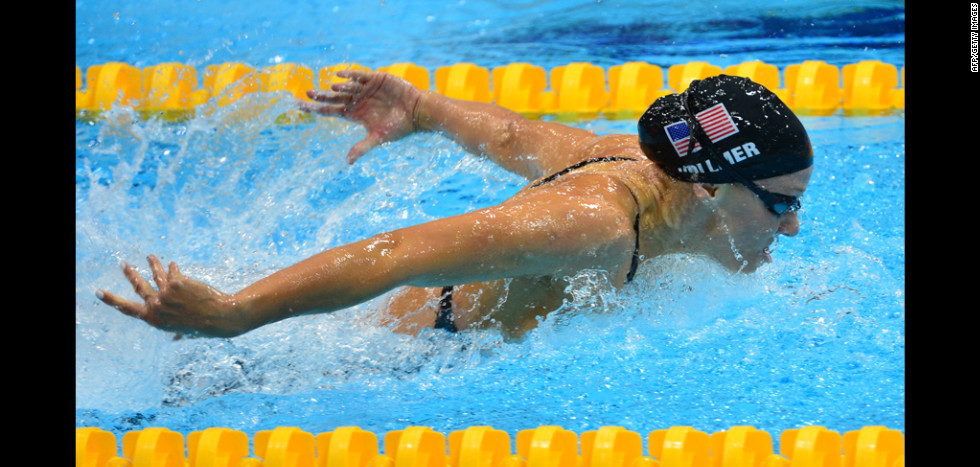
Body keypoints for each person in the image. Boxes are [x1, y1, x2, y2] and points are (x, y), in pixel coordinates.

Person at [96, 70, 813, 338]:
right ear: (712, 188)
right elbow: (397, 254)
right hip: (378, 358)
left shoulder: (645, 165)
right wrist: (235, 312)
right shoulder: (591, 225)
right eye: (781, 205)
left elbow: (512, 132)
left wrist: (427, 108)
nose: (792, 224)